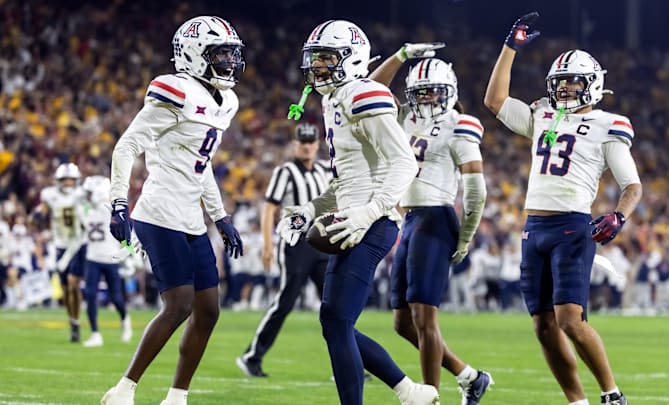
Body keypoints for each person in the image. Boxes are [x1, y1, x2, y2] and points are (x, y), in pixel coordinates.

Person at [276, 19, 439, 405]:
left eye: (327, 58)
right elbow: (345, 180)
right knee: (334, 322)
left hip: (371, 223)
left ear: (352, 59)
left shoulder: (362, 94)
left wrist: (369, 212)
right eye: (315, 59)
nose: (317, 67)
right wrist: (309, 209)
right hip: (352, 218)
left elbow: (403, 163)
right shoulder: (334, 98)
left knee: (337, 322)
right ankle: (409, 390)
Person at [483, 12, 642, 405]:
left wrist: (618, 215)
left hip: (572, 227)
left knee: (571, 319)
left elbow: (632, 185)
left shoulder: (608, 124)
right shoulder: (542, 114)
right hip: (533, 227)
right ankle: (577, 401)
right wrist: (510, 48)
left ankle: (611, 394)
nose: (567, 88)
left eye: (575, 81)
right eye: (561, 82)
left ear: (593, 84)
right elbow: (495, 100)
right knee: (543, 327)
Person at [101, 15, 244, 405]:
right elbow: (126, 147)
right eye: (220, 53)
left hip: (190, 217)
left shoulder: (226, 100)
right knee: (179, 303)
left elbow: (203, 163)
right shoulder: (175, 90)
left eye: (232, 53)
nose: (229, 61)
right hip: (157, 212)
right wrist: (118, 203)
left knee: (209, 309)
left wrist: (220, 217)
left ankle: (177, 396)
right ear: (195, 55)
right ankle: (123, 389)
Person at [369, 47, 493, 403]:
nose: (425, 98)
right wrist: (400, 56)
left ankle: (431, 396)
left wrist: (466, 236)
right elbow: (370, 88)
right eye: (419, 91)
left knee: (424, 319)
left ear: (450, 90)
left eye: (433, 91)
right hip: (410, 220)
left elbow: (476, 189)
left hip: (436, 218)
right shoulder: (405, 117)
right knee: (402, 323)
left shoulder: (460, 124)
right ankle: (470, 376)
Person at [236, 123, 331, 377]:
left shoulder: (324, 170)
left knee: (335, 305)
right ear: (295, 144)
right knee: (286, 302)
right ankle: (252, 356)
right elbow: (269, 209)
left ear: (317, 144)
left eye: (311, 141)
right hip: (295, 243)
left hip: (321, 242)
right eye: (303, 142)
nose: (307, 146)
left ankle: (348, 361)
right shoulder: (285, 172)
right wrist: (268, 245)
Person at [34, 162, 86, 342]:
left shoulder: (82, 195)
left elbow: (89, 213)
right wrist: (37, 214)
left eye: (71, 180)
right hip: (60, 244)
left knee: (73, 284)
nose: (68, 183)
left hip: (77, 243)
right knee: (65, 289)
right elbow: (42, 210)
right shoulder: (50, 195)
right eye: (64, 180)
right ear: (58, 180)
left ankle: (77, 321)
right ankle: (73, 322)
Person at [79, 175, 132, 347]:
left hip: (110, 258)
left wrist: (128, 255)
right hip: (92, 258)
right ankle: (95, 334)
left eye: (89, 192)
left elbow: (125, 232)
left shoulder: (110, 209)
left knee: (116, 298)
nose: (86, 195)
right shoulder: (85, 209)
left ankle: (125, 320)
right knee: (91, 295)